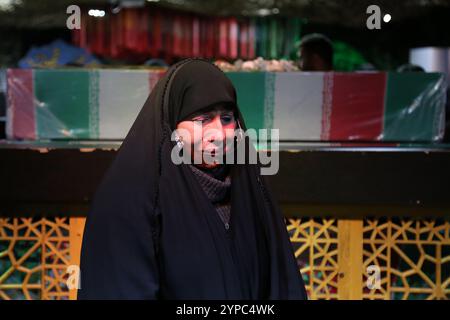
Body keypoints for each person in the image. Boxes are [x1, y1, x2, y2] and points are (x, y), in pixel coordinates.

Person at [77, 58, 308, 300]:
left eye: (227, 119)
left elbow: (281, 283)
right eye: (202, 120)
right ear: (172, 126)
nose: (218, 134)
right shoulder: (130, 200)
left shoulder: (249, 188)